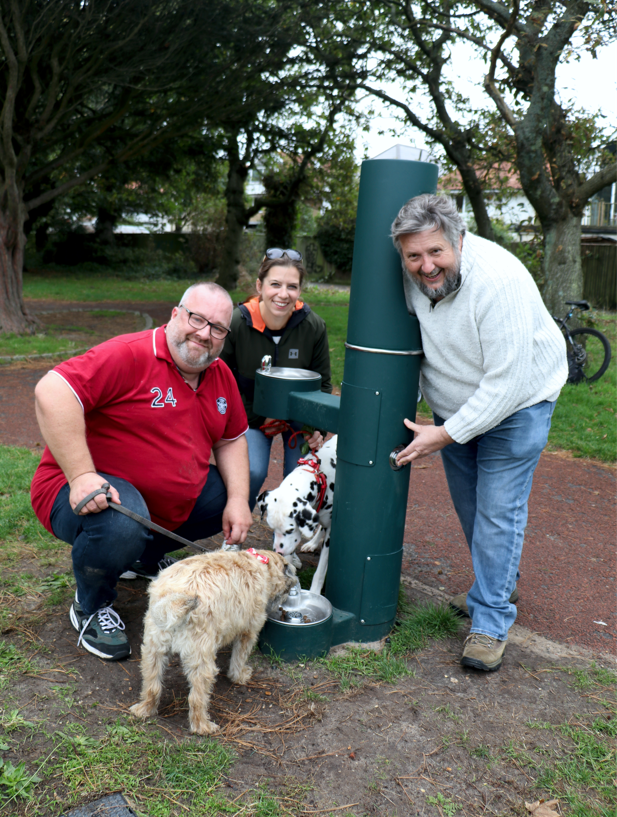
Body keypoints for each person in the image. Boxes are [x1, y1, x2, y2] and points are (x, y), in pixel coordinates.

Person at [391, 195, 568, 672]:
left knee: (497, 512)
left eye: (436, 253)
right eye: (414, 256)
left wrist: (444, 435)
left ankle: (489, 622)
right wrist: (443, 420)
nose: (426, 266)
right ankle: (498, 580)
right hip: (458, 407)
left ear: (459, 240)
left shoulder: (497, 280)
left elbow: (508, 382)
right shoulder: (412, 280)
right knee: (472, 507)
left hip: (519, 403)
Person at [31, 282, 253, 661]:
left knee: (223, 496)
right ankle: (91, 606)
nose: (204, 333)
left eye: (217, 328)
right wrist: (82, 474)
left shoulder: (220, 375)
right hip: (81, 490)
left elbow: (231, 439)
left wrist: (237, 500)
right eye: (196, 319)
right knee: (121, 524)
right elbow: (52, 391)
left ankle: (141, 558)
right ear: (175, 315)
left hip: (147, 502)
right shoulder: (130, 355)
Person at [220, 248, 332, 512]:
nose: (283, 294)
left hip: (298, 414)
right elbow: (220, 382)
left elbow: (323, 384)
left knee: (300, 476)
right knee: (252, 470)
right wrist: (258, 419)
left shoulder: (313, 326)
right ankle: (235, 530)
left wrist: (317, 428)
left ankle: (287, 545)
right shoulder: (236, 322)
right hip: (251, 414)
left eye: (292, 286)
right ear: (260, 285)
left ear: (300, 290)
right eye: (275, 284)